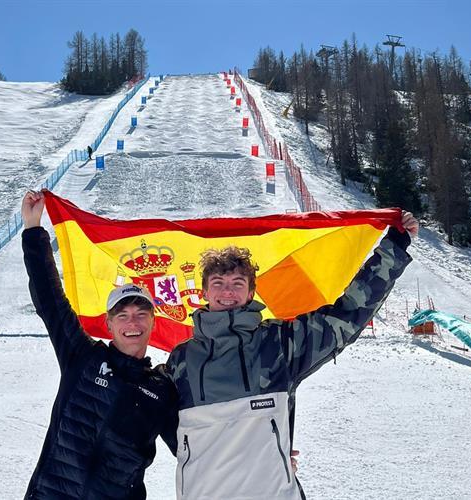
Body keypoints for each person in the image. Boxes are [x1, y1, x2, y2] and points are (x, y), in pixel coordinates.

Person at [167, 211, 419, 500]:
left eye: (238, 283)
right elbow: (158, 419)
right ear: (204, 292)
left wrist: (395, 246)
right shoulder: (182, 361)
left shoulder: (279, 344)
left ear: (251, 293)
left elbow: (347, 315)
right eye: (219, 283)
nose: (228, 292)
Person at [21, 190, 178, 500]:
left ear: (153, 322)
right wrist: (33, 228)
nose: (132, 323)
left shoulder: (162, 390)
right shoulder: (83, 357)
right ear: (109, 323)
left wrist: (269, 460)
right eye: (123, 315)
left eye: (140, 314)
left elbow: (197, 448)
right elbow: (50, 301)